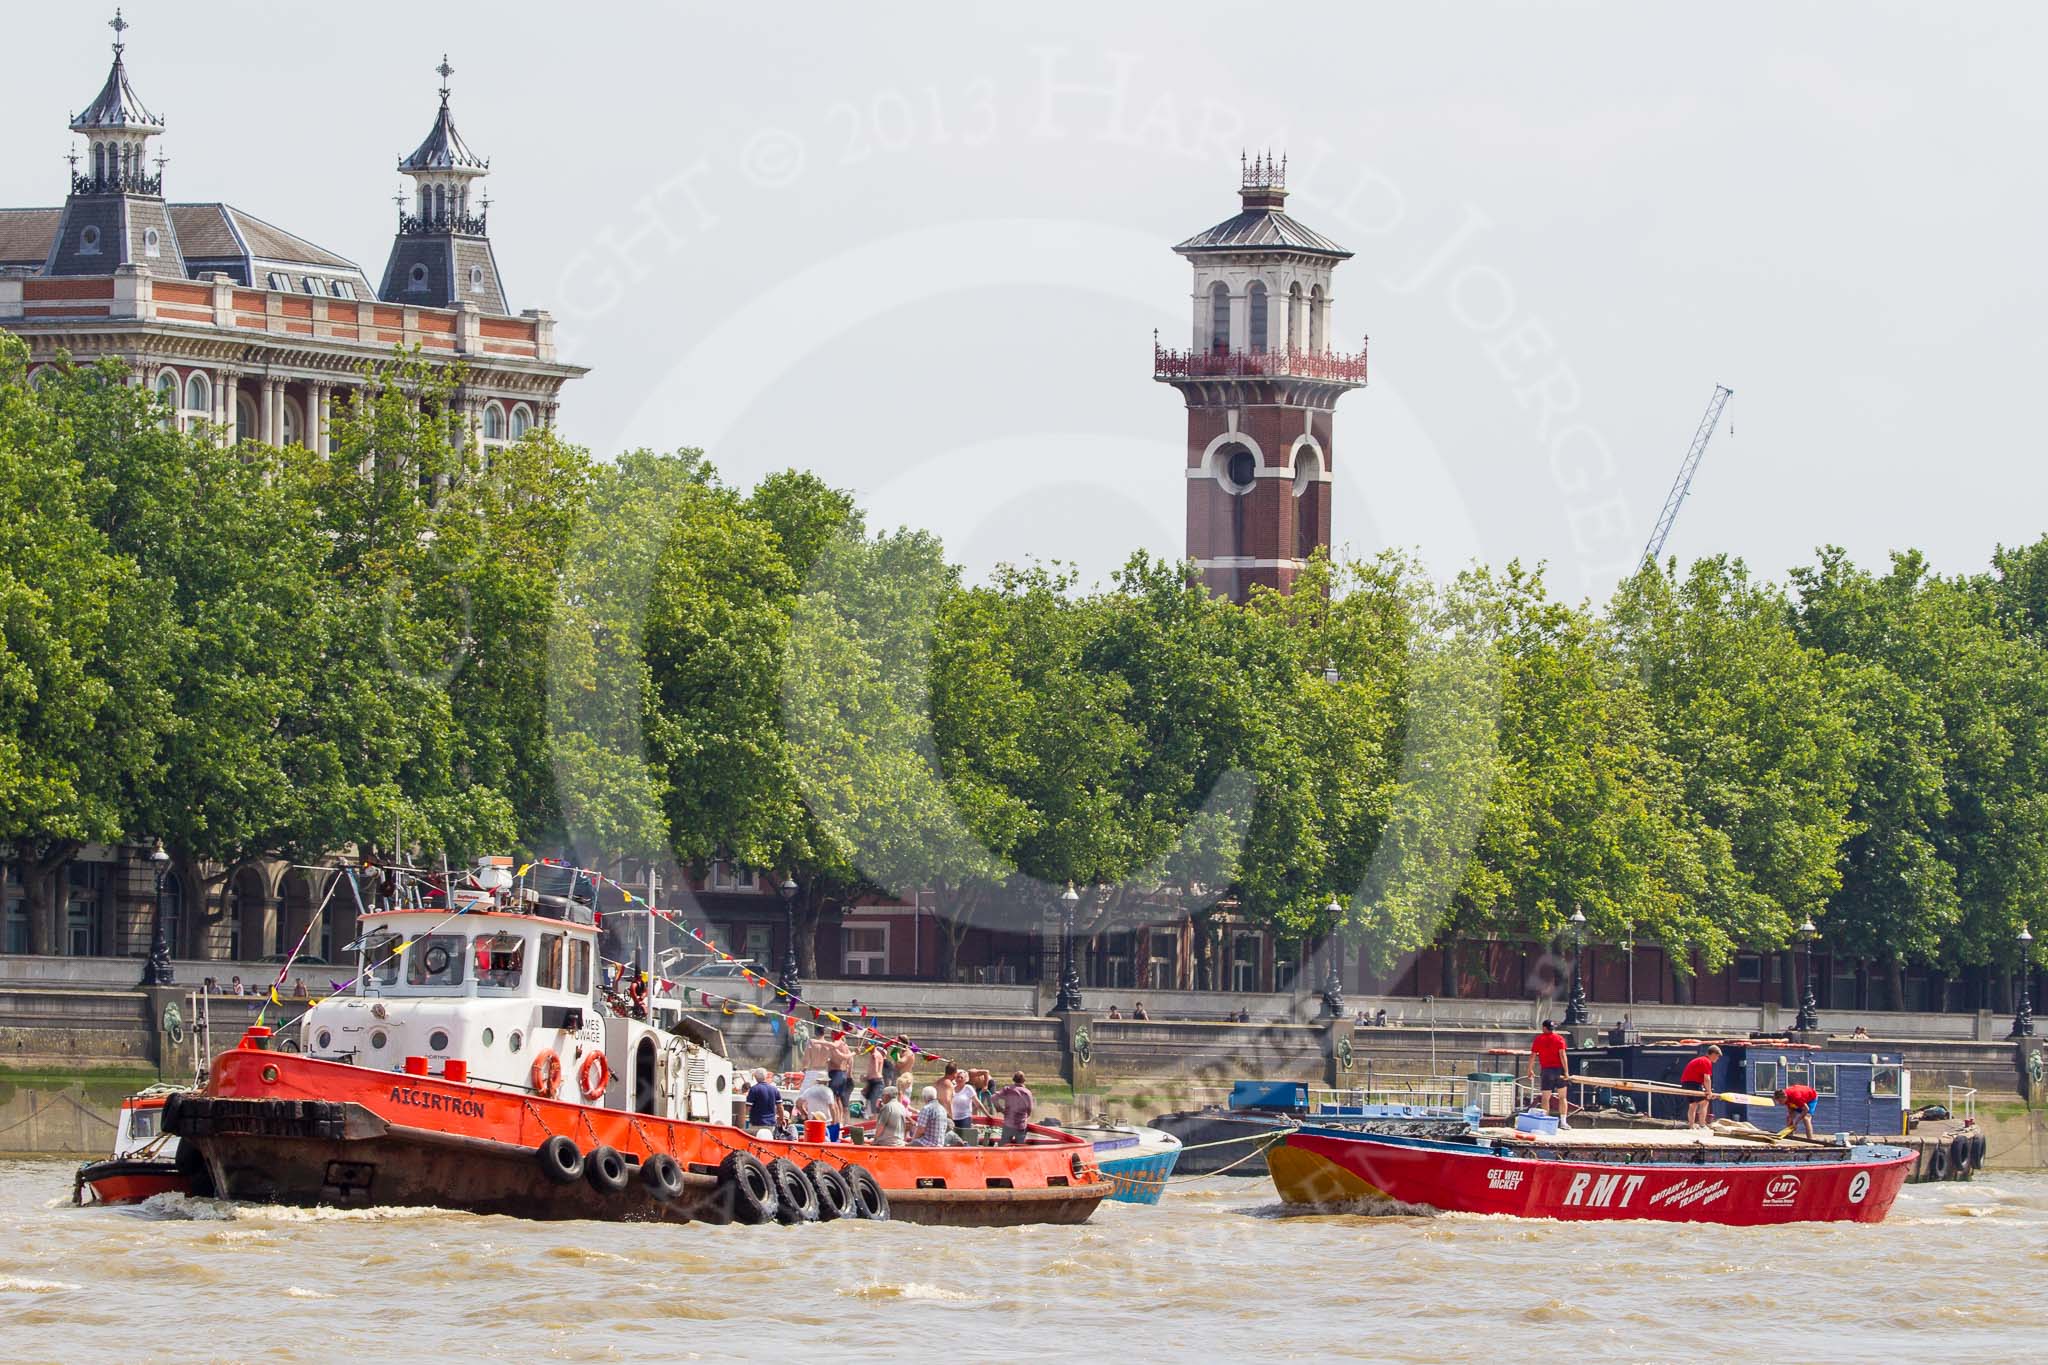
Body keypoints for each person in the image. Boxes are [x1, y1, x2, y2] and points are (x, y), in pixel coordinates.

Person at [1529, 1019, 1571, 1125]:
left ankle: (1545, 1121)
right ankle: (1563, 1122)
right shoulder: (1559, 1039)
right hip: (1559, 1070)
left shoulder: (1539, 1039)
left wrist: (1530, 1069)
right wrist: (1566, 1071)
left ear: (1543, 1028)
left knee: (1545, 1098)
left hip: (1547, 1071)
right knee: (1563, 1097)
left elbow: (1533, 1055)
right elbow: (1562, 1055)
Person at [1680, 1045, 1723, 1128]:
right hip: (1693, 1083)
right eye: (1717, 1056)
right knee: (1704, 1102)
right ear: (1713, 1054)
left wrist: (1708, 1090)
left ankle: (1691, 1125)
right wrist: (1709, 1092)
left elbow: (1701, 1078)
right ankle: (1702, 1125)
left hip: (1686, 1083)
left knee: (1693, 1105)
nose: (1717, 1059)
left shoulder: (1700, 1060)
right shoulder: (1706, 1061)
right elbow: (1707, 1078)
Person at [995, 1072, 1034, 1144]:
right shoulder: (1027, 1092)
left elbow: (993, 1098)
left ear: (1013, 1079)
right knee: (1020, 1148)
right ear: (1024, 1080)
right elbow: (1030, 1109)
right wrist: (1026, 1116)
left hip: (1008, 1124)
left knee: (1004, 1147)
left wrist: (1000, 1109)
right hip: (1021, 1125)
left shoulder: (1007, 1089)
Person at [744, 1067, 782, 1138]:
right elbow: (780, 1107)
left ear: (755, 1077)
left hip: (756, 1123)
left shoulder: (754, 1089)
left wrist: (744, 1118)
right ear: (766, 1076)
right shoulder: (774, 1089)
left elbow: (748, 1107)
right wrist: (781, 1119)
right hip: (770, 1124)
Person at [827, 1032, 855, 1123]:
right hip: (843, 1075)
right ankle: (843, 1122)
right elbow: (850, 1062)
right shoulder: (846, 1047)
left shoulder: (836, 1045)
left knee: (833, 1099)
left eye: (832, 1034)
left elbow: (840, 1057)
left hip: (836, 1074)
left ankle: (836, 1122)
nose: (831, 1036)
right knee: (839, 1100)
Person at [951, 1068, 980, 1141]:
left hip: (965, 1118)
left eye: (961, 1077)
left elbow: (977, 1103)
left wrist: (988, 1115)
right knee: (953, 1140)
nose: (959, 1079)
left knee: (964, 1139)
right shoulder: (952, 1088)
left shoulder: (968, 1088)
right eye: (958, 1077)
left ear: (965, 1079)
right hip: (953, 1118)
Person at [861, 1041, 887, 1113]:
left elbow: (875, 1070)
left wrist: (866, 1077)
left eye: (867, 1045)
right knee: (871, 1105)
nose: (865, 1047)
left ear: (873, 1045)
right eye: (865, 1045)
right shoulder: (876, 1054)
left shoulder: (874, 1055)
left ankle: (876, 1121)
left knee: (874, 1107)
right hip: (874, 1081)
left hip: (876, 1082)